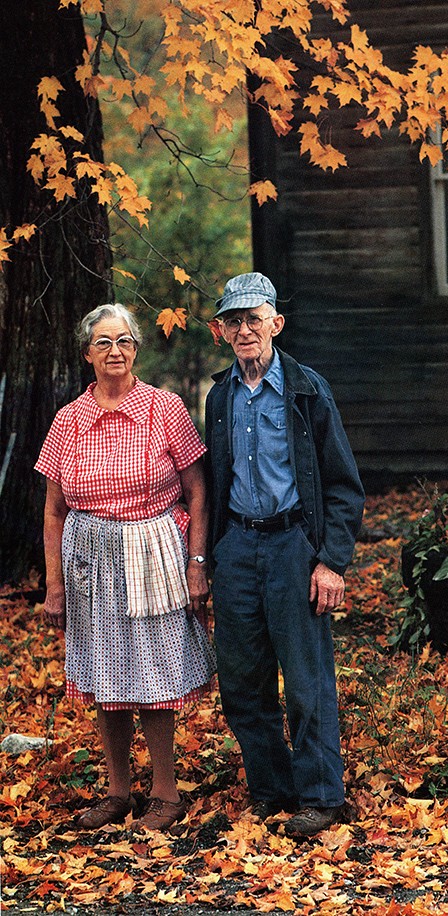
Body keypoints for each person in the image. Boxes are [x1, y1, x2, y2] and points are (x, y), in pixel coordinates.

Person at [35, 303, 217, 832]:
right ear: (87, 353)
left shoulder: (165, 408)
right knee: (104, 672)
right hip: (90, 561)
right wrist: (53, 583)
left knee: (153, 674)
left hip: (153, 551)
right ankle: (118, 792)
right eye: (103, 342)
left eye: (124, 341)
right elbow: (52, 509)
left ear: (136, 349)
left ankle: (165, 792)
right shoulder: (69, 419)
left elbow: (197, 490)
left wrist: (197, 563)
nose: (115, 351)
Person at [205, 272, 365, 838]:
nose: (245, 330)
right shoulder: (220, 396)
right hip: (238, 548)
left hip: (293, 546)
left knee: (305, 678)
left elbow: (345, 485)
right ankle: (271, 791)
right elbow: (215, 480)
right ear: (221, 331)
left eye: (255, 318)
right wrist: (213, 555)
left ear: (276, 323)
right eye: (234, 320)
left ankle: (322, 796)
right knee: (243, 681)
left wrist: (332, 561)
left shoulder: (306, 389)